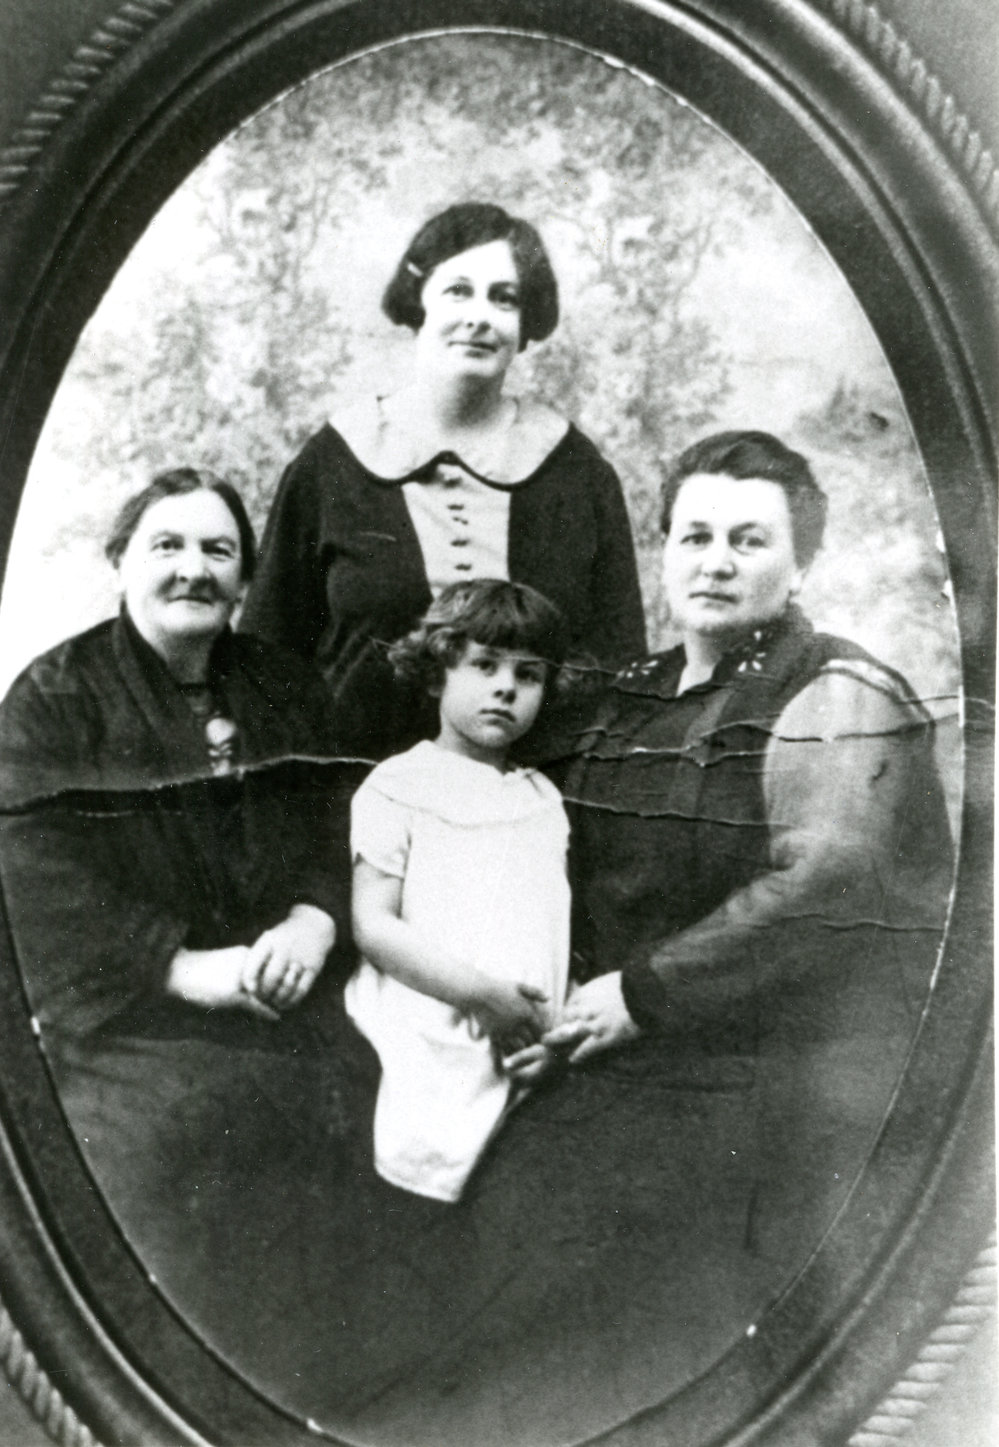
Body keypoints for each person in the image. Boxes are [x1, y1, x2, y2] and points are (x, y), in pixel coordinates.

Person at [0, 468, 352, 1329]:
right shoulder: (55, 697)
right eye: (169, 545)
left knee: (364, 1112)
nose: (194, 568)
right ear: (122, 561)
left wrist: (314, 916)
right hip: (133, 1013)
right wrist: (178, 965)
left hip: (291, 989)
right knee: (169, 1140)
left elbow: (340, 818)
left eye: (217, 549)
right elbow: (27, 865)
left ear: (243, 578)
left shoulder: (285, 685)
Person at [239, 201, 646, 758]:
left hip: (535, 804)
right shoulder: (332, 462)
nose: (480, 316)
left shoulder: (577, 472)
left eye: (504, 298)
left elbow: (618, 660)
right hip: (351, 797)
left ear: (526, 322)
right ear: (419, 302)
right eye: (458, 291)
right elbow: (266, 657)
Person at [346, 579, 572, 1202]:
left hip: (525, 1030)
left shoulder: (542, 798)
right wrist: (479, 994)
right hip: (437, 1005)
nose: (506, 686)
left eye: (528, 675)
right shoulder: (398, 785)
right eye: (484, 665)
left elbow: (552, 929)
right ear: (437, 672)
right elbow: (375, 924)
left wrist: (544, 1023)